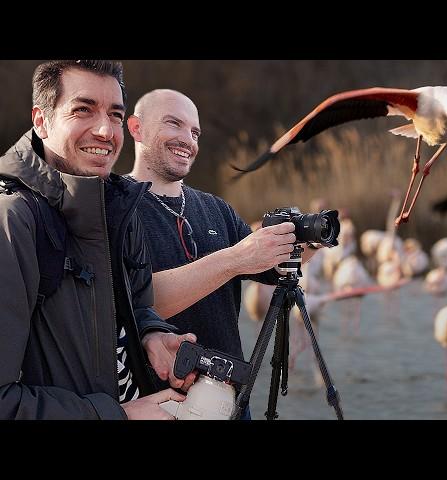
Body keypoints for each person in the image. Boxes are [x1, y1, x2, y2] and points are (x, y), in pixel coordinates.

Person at [0, 61, 196, 420]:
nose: (106, 130)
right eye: (83, 110)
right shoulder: (11, 220)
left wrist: (152, 334)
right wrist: (117, 416)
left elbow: (135, 306)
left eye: (115, 114)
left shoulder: (119, 205)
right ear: (41, 121)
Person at [125, 89, 321, 416]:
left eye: (195, 132)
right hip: (152, 403)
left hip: (229, 399)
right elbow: (132, 299)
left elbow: (272, 270)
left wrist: (307, 239)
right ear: (135, 128)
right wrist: (235, 259)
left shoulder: (217, 209)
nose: (187, 139)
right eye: (174, 124)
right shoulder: (114, 207)